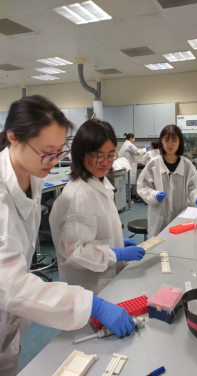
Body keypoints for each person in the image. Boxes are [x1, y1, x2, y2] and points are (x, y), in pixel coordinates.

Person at [0, 96, 135, 376]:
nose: (54, 161)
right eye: (47, 152)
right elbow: (11, 286)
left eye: (60, 151)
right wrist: (89, 303)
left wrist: (116, 247)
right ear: (13, 137)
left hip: (10, 319)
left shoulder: (32, 175)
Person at [49, 119, 146, 295]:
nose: (106, 162)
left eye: (110, 155)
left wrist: (115, 243)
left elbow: (94, 231)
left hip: (105, 281)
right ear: (80, 154)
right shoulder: (79, 195)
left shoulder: (100, 183)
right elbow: (72, 253)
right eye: (98, 155)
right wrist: (116, 253)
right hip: (90, 289)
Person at [137, 124, 197, 237]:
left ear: (180, 143)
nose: (170, 144)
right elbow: (143, 186)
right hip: (158, 216)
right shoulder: (153, 164)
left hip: (180, 214)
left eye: (174, 140)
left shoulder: (186, 165)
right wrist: (154, 194)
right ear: (161, 141)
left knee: (179, 245)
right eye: (166, 140)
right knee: (158, 247)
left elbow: (192, 188)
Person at [119, 133, 150, 201]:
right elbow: (137, 152)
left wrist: (142, 150)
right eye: (134, 138)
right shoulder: (129, 145)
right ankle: (127, 199)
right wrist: (145, 149)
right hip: (127, 166)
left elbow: (135, 151)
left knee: (127, 183)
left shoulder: (125, 144)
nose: (134, 139)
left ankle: (126, 199)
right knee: (128, 183)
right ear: (131, 138)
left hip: (124, 166)